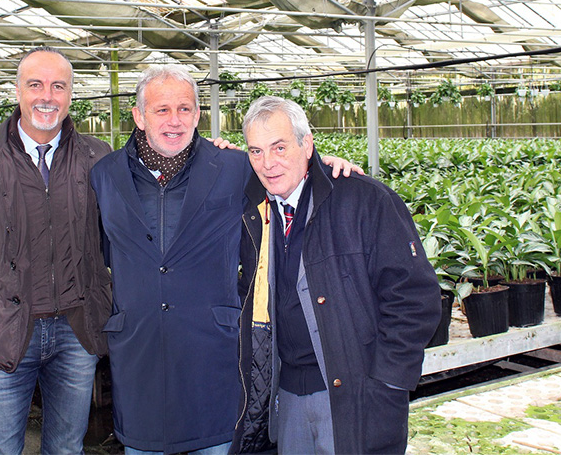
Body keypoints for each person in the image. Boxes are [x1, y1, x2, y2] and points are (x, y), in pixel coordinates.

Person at [90, 64, 360, 455]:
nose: (175, 120)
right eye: (161, 110)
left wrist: (323, 163)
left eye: (185, 109)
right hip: (140, 358)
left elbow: (283, 173)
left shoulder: (232, 166)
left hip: (213, 357)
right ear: (138, 115)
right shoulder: (105, 175)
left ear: (199, 115)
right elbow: (101, 249)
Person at [234, 96, 441, 455]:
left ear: (307, 143)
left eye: (279, 147)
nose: (268, 163)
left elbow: (415, 298)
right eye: (255, 151)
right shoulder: (253, 211)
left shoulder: (365, 200)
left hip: (354, 394)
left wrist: (387, 381)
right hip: (288, 398)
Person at [0, 47, 112, 455]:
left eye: (58, 86)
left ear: (70, 95)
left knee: (67, 449)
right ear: (17, 90)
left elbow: (148, 195)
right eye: (35, 85)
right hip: (0, 331)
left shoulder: (97, 158)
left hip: (76, 331)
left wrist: (209, 155)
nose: (46, 96)